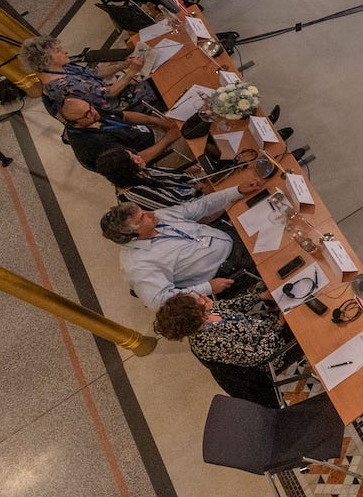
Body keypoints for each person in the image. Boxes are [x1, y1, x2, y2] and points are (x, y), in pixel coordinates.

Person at [103, 183, 262, 309]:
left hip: (229, 235)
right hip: (232, 269)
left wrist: (237, 190)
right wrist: (207, 288)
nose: (151, 213)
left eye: (143, 211)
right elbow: (160, 301)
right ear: (132, 236)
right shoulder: (138, 266)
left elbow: (201, 206)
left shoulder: (158, 218)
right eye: (142, 218)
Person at [155, 288, 297, 407]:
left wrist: (261, 296)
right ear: (196, 316)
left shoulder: (208, 312)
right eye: (201, 300)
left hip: (266, 326)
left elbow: (233, 305)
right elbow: (258, 355)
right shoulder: (208, 343)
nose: (204, 296)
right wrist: (279, 325)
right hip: (274, 350)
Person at [21, 34, 162, 117]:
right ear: (46, 59)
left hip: (113, 95)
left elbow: (95, 73)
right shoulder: (63, 86)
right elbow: (110, 93)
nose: (65, 52)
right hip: (117, 109)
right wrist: (132, 72)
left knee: (157, 74)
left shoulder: (60, 67)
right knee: (161, 85)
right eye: (58, 51)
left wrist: (124, 65)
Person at [60, 97, 179, 174]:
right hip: (155, 156)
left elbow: (124, 116)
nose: (94, 113)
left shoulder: (91, 114)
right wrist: (168, 138)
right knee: (191, 135)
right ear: (74, 123)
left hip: (146, 133)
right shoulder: (96, 144)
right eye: (87, 114)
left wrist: (156, 121)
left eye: (90, 107)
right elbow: (136, 160)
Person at [94, 146, 206, 210]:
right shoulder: (137, 196)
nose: (139, 158)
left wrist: (200, 179)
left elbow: (176, 175)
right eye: (133, 160)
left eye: (134, 155)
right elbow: (185, 210)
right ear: (125, 170)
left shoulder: (139, 172)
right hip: (201, 207)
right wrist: (205, 190)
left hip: (198, 188)